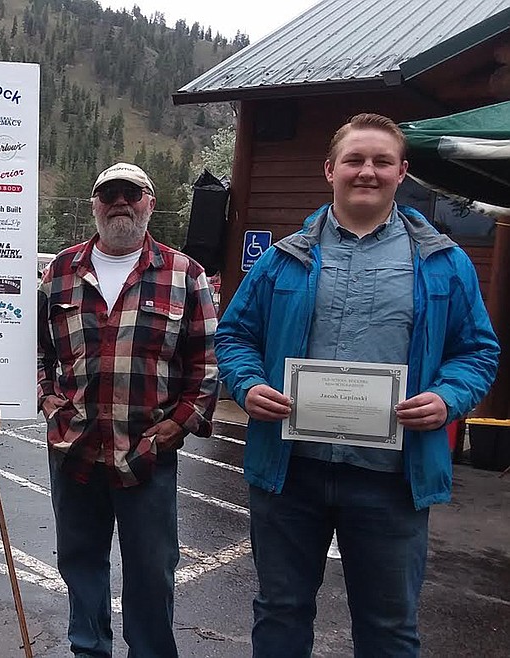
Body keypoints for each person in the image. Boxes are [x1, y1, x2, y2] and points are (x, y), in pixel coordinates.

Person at [214, 113, 500, 656]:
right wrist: (247, 384)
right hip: (289, 474)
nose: (366, 171)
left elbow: (478, 352)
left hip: (392, 481)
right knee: (279, 613)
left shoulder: (443, 262)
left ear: (402, 172)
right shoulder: (282, 259)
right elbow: (235, 336)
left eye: (381, 161)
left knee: (389, 627)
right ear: (330, 170)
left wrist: (447, 398)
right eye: (354, 160)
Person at [37, 161, 219, 657]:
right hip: (74, 450)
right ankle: (89, 650)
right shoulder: (59, 272)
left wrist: (175, 427)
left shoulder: (185, 274)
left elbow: (206, 362)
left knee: (152, 570)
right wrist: (46, 398)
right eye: (108, 193)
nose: (120, 201)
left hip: (147, 454)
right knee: (79, 563)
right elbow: (36, 351)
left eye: (131, 193)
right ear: (94, 204)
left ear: (150, 203)